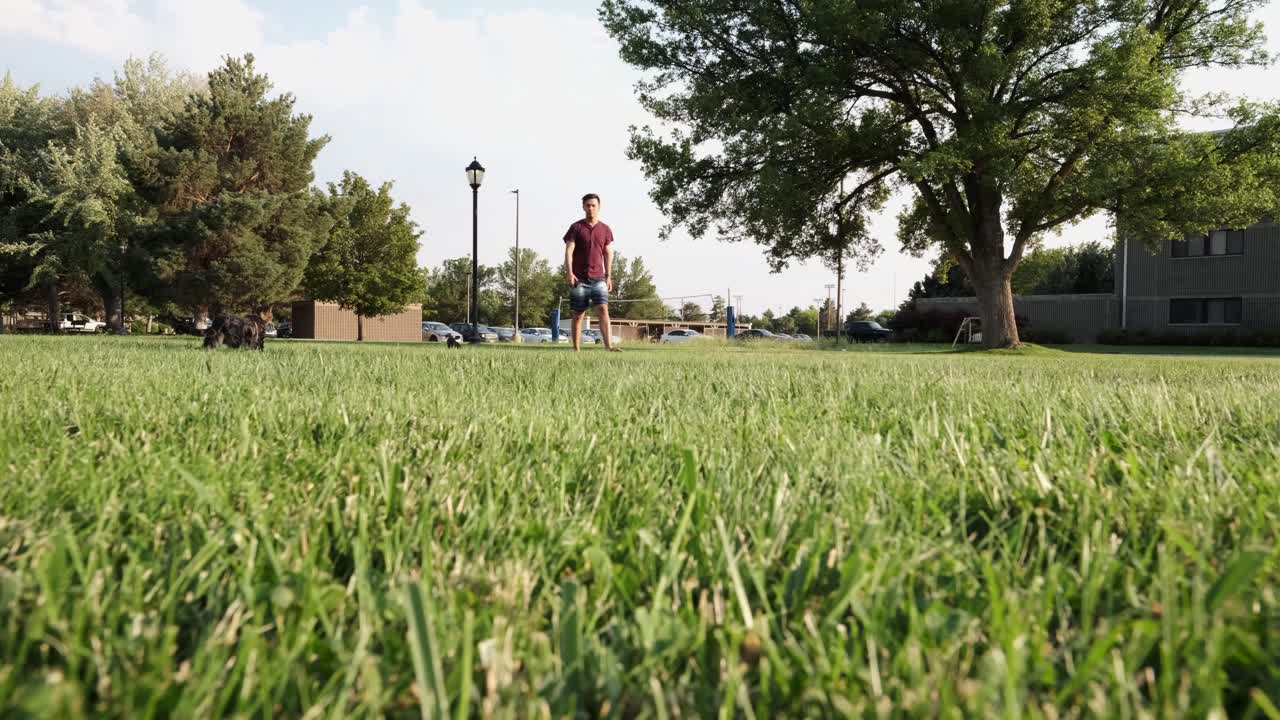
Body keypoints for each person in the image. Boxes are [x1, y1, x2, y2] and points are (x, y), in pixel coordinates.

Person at [563, 193, 620, 352]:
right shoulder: (576, 227)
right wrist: (569, 273)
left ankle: (609, 347)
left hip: (599, 279)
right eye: (587, 205)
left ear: (599, 207)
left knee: (603, 311)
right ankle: (576, 349)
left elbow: (608, 253)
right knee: (578, 314)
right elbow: (569, 251)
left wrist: (609, 275)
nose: (590, 208)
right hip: (579, 279)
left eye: (593, 205)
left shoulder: (605, 229)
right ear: (583, 207)